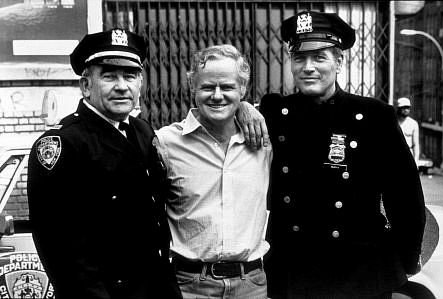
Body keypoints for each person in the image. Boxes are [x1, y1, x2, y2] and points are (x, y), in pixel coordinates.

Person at [257, 11, 426, 298]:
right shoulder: (274, 116)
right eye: (299, 59)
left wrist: (405, 261)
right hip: (294, 272)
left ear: (339, 61)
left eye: (319, 58)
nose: (308, 67)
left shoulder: (375, 116)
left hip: (360, 272)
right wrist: (245, 109)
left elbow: (405, 198)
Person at [27, 29, 181, 299]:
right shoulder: (64, 144)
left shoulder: (142, 131)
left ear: (140, 83)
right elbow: (60, 248)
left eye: (130, 76)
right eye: (109, 76)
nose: (122, 86)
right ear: (86, 85)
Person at [154, 44, 272, 298]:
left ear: (243, 89)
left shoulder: (263, 142)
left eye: (228, 87)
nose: (217, 96)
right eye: (208, 87)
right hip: (189, 286)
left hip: (251, 286)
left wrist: (247, 107)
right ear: (193, 89)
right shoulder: (166, 143)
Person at [397, 97, 420, 165]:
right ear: (398, 108)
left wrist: (416, 160)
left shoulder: (413, 124)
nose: (406, 110)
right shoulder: (392, 122)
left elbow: (416, 144)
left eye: (408, 107)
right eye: (404, 107)